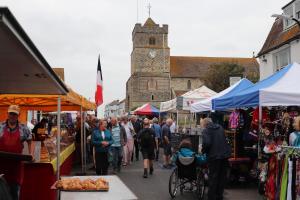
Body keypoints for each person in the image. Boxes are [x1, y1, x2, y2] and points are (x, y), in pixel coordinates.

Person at [0, 105, 32, 200]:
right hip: (1, 165)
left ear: (18, 115)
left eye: (15, 114)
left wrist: (30, 153)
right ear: (7, 114)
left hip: (16, 167)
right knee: (1, 193)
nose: (12, 116)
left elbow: (30, 140)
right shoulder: (0, 126)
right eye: (11, 113)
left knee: (15, 192)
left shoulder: (23, 128)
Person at [202, 118, 231, 200]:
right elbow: (226, 140)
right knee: (221, 177)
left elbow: (207, 143)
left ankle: (211, 197)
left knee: (213, 178)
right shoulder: (220, 128)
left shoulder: (206, 130)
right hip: (224, 156)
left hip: (214, 157)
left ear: (205, 124)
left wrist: (203, 151)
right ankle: (219, 196)